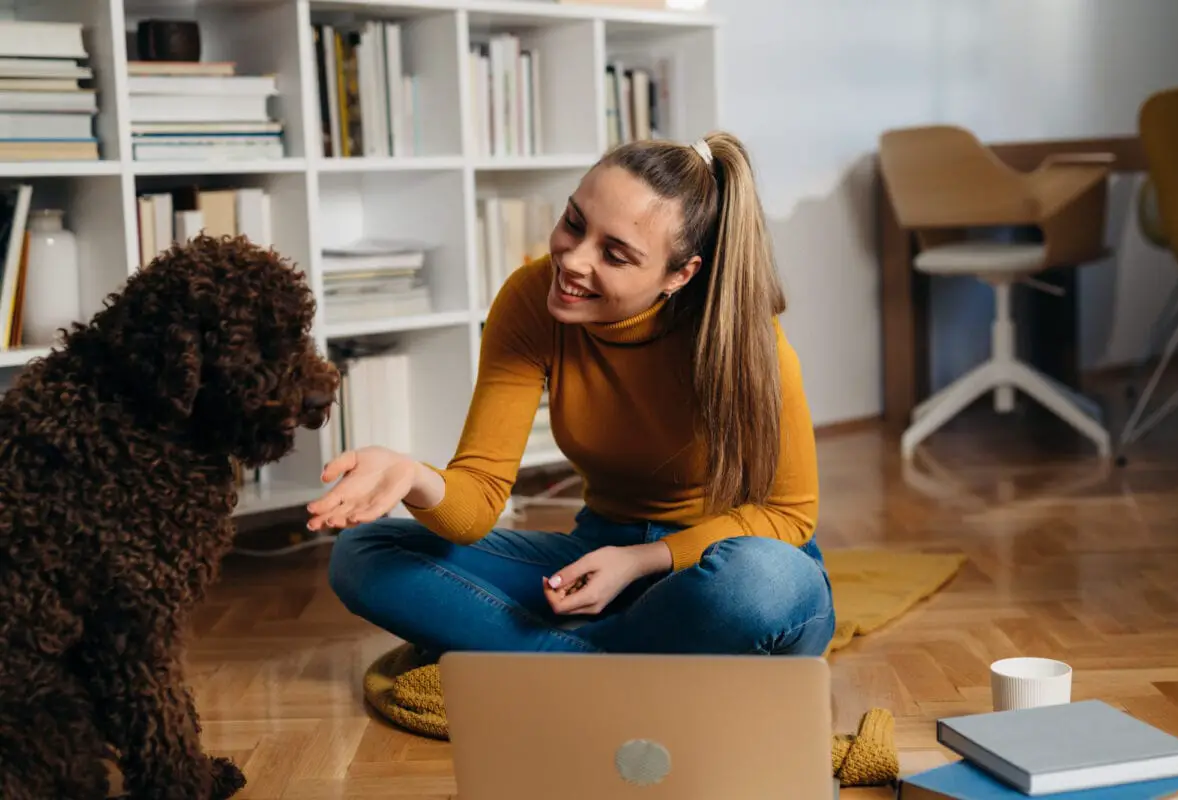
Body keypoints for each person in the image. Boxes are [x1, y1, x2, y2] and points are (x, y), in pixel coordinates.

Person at [315, 131, 835, 658]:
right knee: (366, 552)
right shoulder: (529, 300)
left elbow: (788, 517)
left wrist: (641, 562)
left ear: (679, 274)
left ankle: (560, 657)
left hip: (717, 563)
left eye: (615, 254)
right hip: (597, 554)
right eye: (574, 223)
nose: (573, 260)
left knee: (762, 583)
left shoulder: (746, 338)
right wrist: (415, 477)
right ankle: (605, 662)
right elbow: (476, 504)